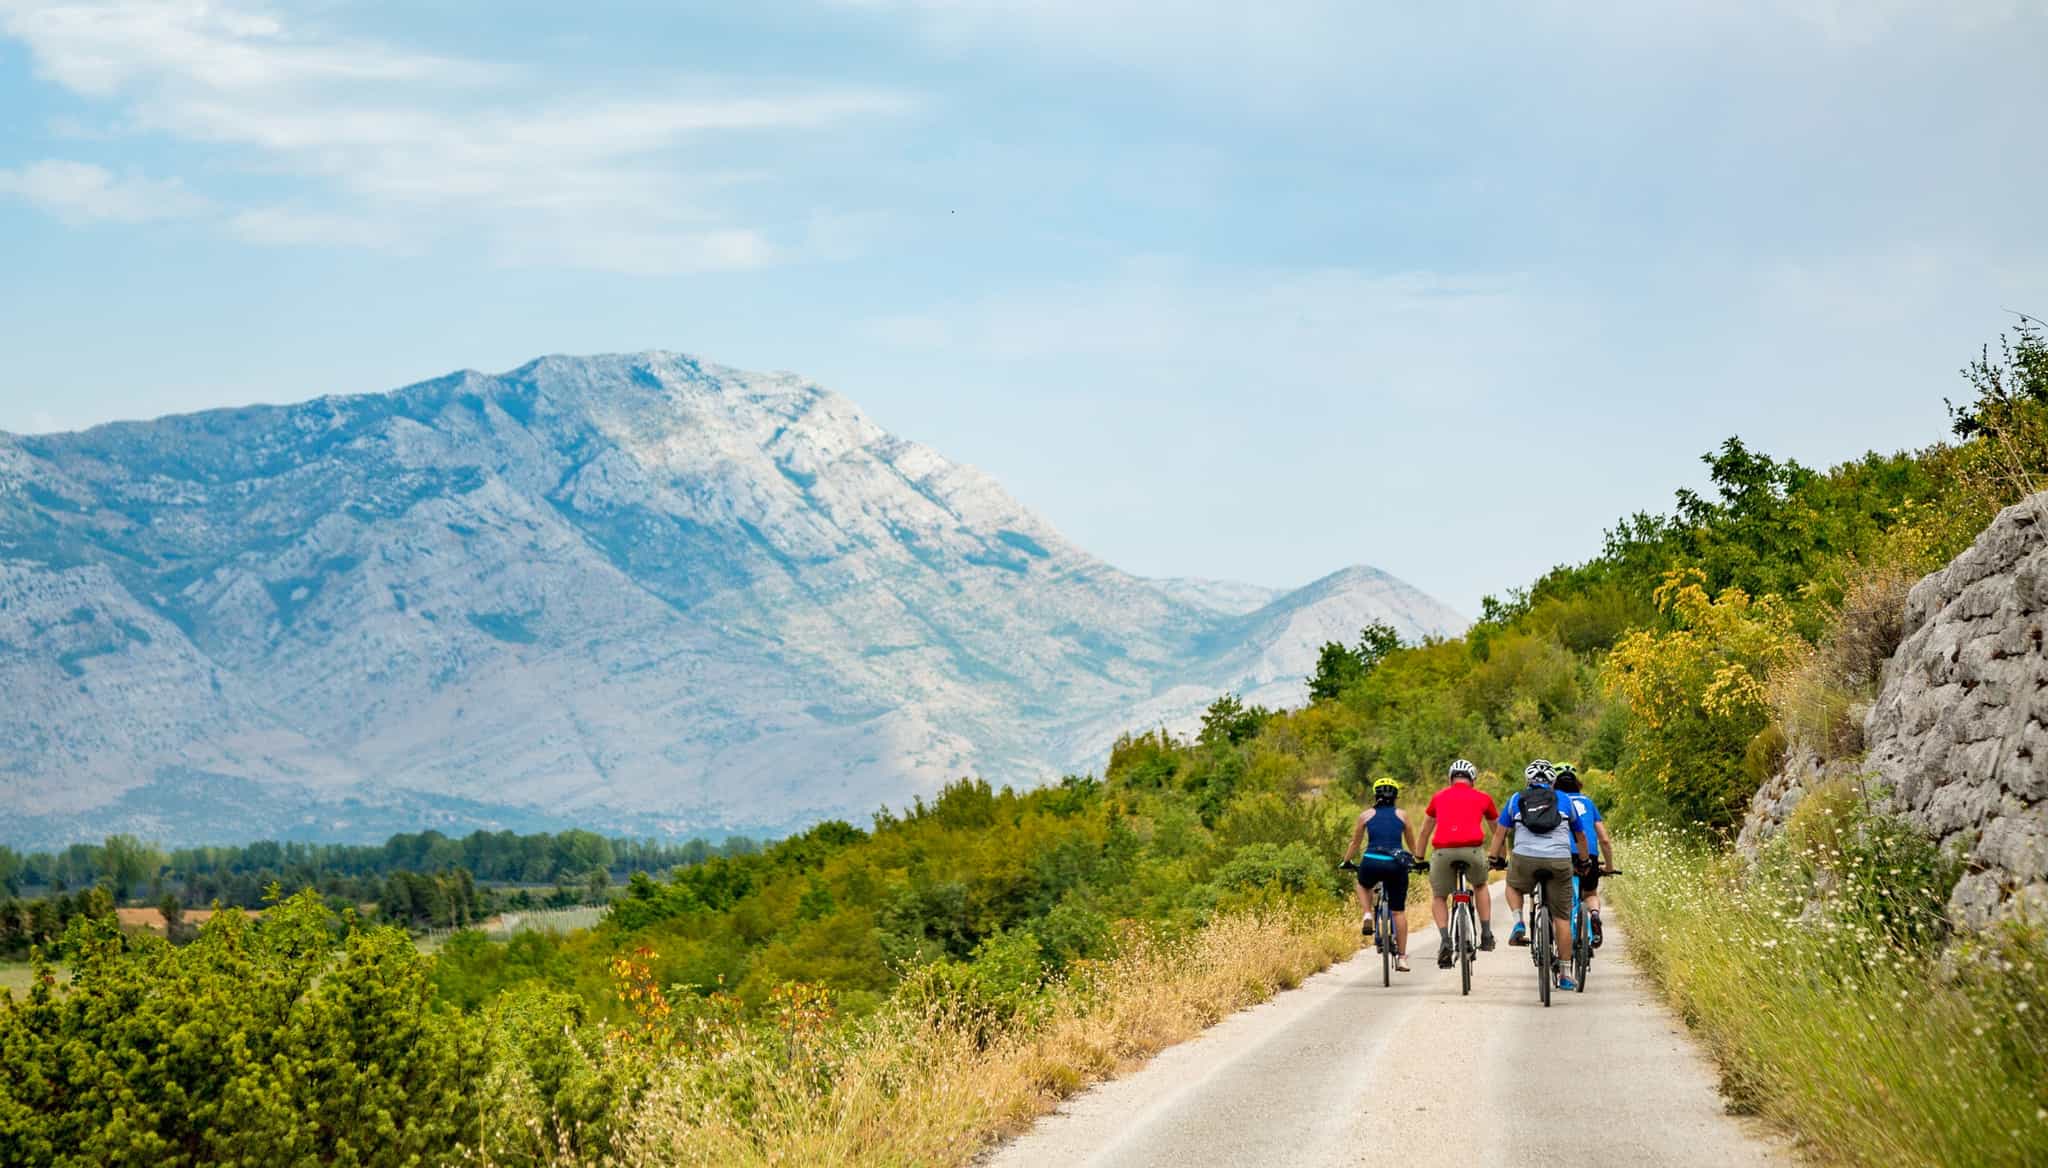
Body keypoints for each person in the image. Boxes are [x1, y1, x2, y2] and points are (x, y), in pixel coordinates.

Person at [1486, 759, 1591, 992]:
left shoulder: (1516, 799)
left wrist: (1494, 859)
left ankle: (1518, 922)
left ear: (1528, 780)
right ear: (1552, 782)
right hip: (1559, 861)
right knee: (1562, 918)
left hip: (1525, 858)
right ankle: (1564, 973)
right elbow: (1581, 837)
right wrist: (1583, 861)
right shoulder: (1564, 800)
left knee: (1513, 886)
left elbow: (1500, 835)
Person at [1416, 758, 1498, 967]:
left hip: (1442, 852)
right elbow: (1497, 831)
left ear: (1451, 778)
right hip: (1472, 850)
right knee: (1479, 885)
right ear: (1473, 779)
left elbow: (1425, 831)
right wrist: (1500, 857)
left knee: (1440, 896)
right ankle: (1486, 934)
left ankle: (1445, 939)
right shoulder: (1483, 797)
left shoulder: (1438, 797)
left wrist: (1418, 858)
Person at [1341, 776, 1420, 972]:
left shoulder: (1366, 815)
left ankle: (1367, 913)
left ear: (1375, 795)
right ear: (1396, 797)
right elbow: (1411, 843)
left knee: (1363, 884)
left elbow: (1355, 843)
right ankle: (1402, 958)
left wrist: (1346, 861)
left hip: (1371, 861)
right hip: (1395, 863)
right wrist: (1417, 860)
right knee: (1398, 912)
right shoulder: (1402, 815)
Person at [1553, 764, 1615, 948]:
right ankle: (1594, 915)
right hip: (1589, 853)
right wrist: (1609, 867)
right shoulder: (1588, 802)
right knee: (1590, 893)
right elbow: (1604, 839)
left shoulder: (1555, 802)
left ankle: (1562, 934)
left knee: (1561, 897)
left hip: (1561, 853)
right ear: (1578, 784)